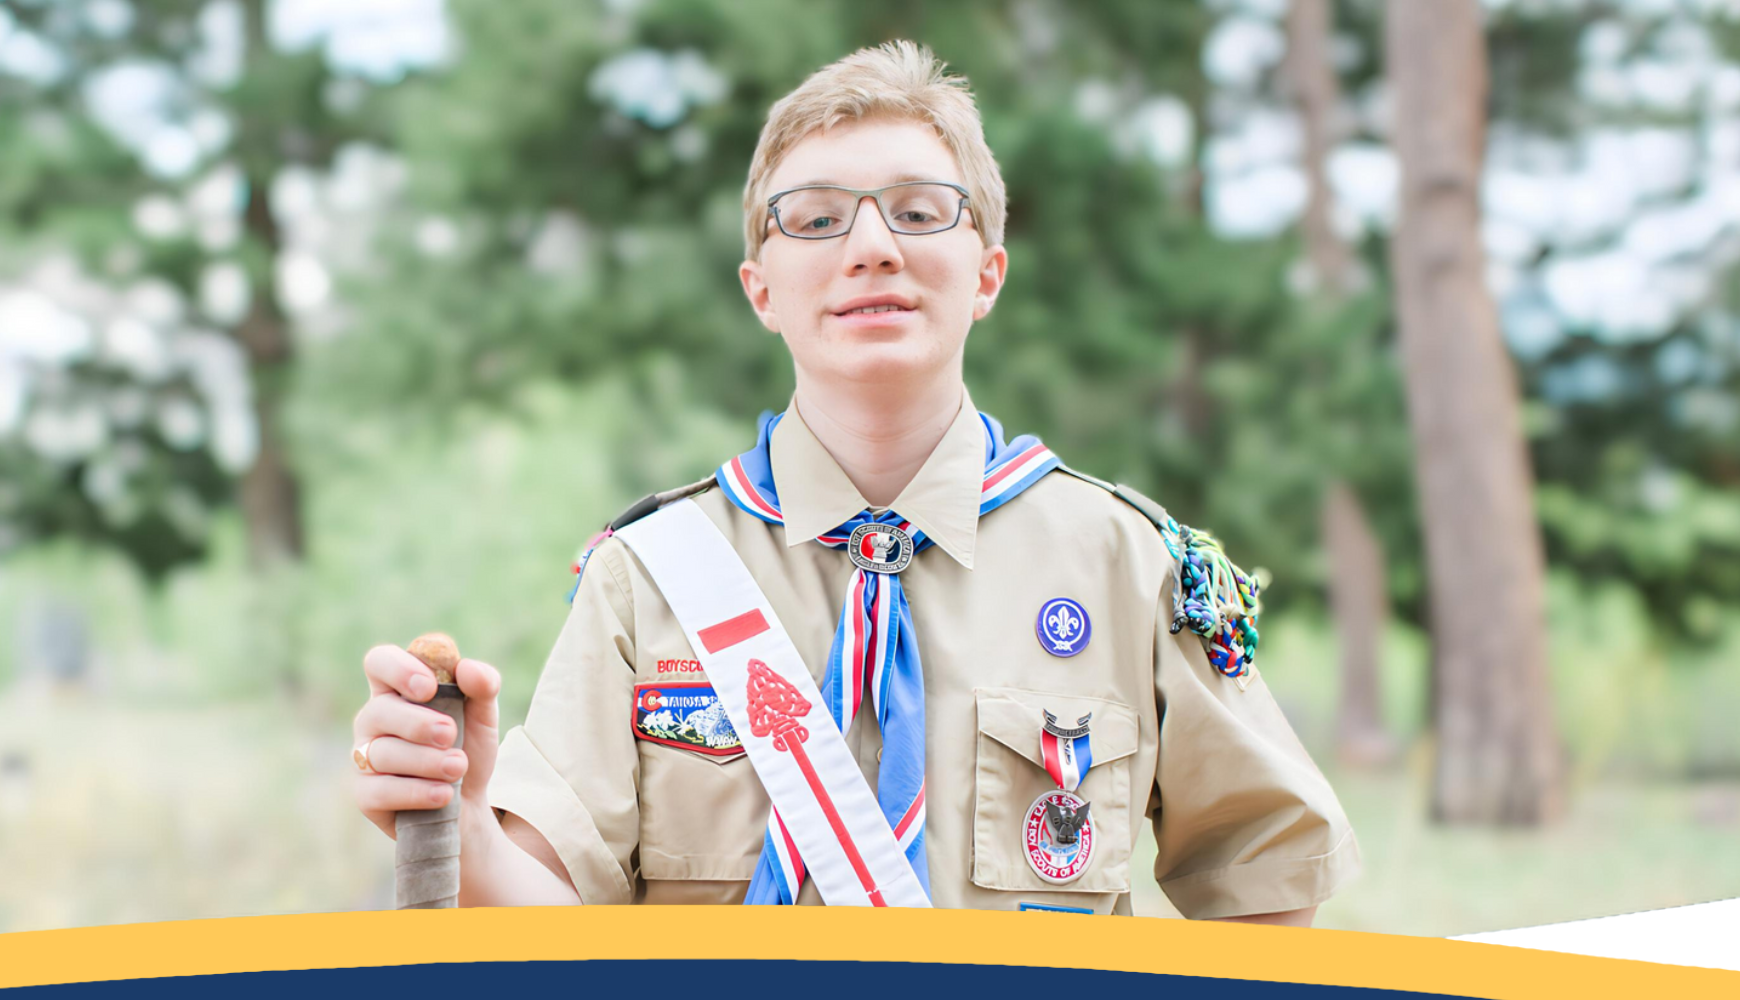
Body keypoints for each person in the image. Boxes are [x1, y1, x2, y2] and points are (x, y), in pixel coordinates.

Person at [341, 41, 1353, 922]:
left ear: (988, 273)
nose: (872, 248)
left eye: (919, 211)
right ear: (761, 290)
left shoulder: (1124, 561)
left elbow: (1264, 876)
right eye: (817, 219)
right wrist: (464, 816)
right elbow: (548, 921)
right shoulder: (649, 580)